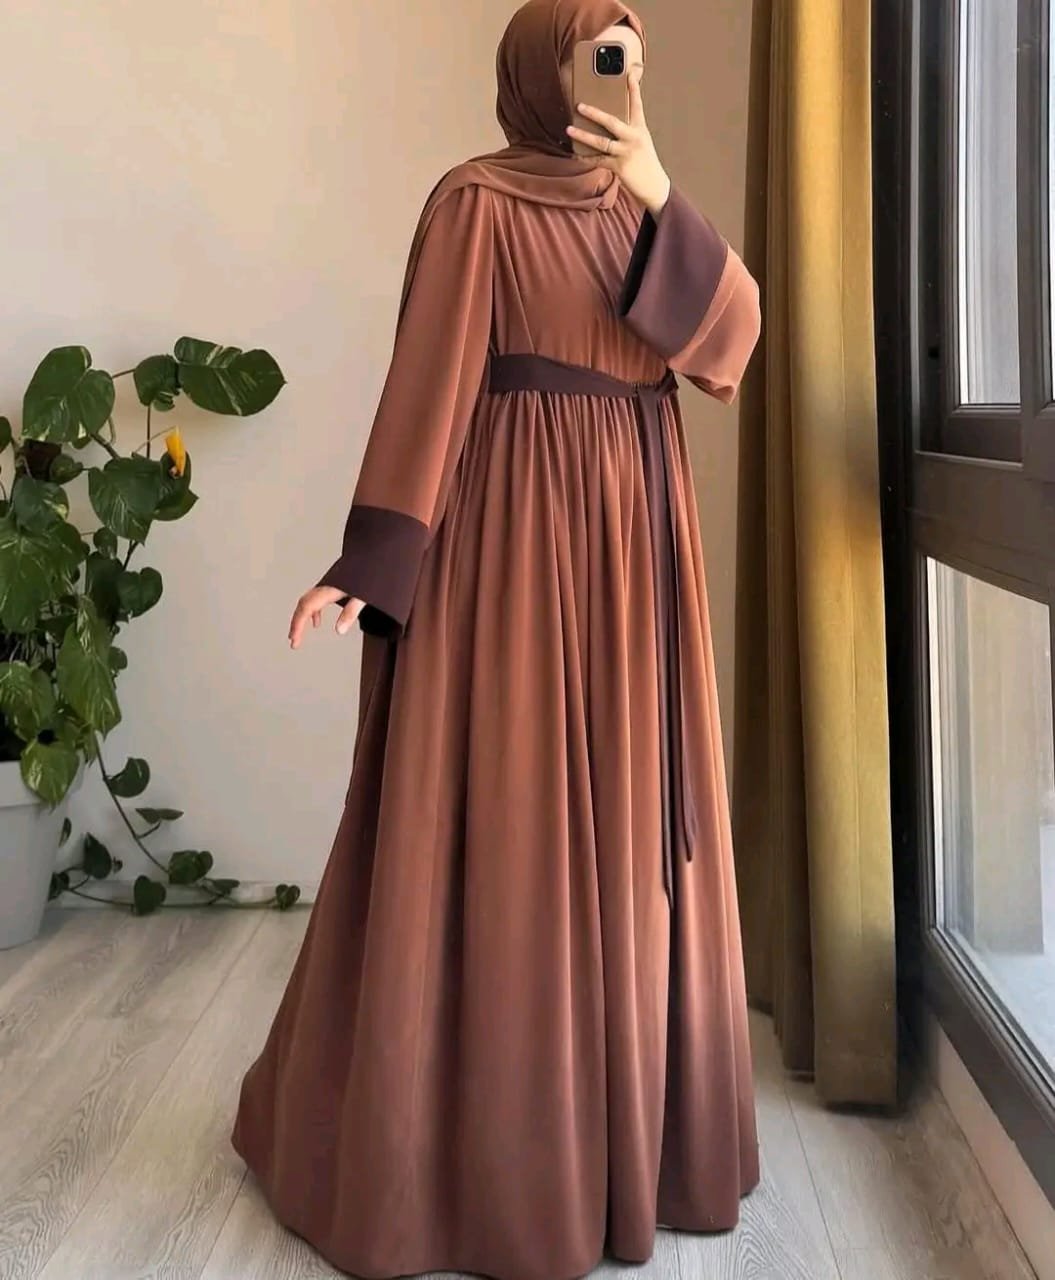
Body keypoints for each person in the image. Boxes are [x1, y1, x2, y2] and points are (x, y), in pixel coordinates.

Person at [231, 2, 762, 1277]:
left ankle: (634, 1141)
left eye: (626, 56)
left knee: (633, 822)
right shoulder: (475, 202)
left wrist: (660, 188)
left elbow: (729, 347)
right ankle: (485, 1154)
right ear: (538, 69)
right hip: (515, 544)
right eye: (593, 55)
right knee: (511, 814)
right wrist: (371, 561)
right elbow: (432, 381)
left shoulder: (644, 207)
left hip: (637, 542)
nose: (612, 76)